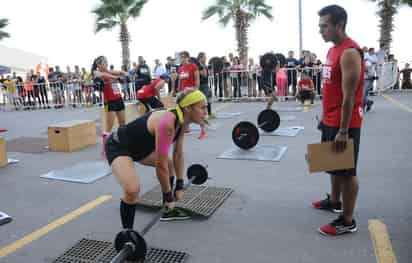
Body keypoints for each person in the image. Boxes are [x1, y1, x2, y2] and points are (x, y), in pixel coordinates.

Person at [105, 89, 208, 226]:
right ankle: (127, 235)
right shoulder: (168, 123)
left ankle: (167, 210)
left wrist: (180, 185)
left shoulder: (182, 121)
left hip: (140, 149)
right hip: (119, 146)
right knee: (132, 190)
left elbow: (178, 154)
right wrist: (169, 195)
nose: (206, 112)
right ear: (188, 108)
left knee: (170, 165)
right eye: (202, 108)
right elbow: (160, 166)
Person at [313, 4, 364, 236]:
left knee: (346, 171)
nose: (320, 30)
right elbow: (331, 87)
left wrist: (343, 130)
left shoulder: (349, 52)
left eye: (324, 26)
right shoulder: (332, 50)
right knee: (332, 163)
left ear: (339, 25)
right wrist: (326, 117)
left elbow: (350, 96)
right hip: (332, 118)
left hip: (346, 122)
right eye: (320, 25)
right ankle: (334, 201)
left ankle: (347, 220)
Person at [91, 56, 128, 158]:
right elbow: (102, 74)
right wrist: (116, 77)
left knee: (123, 124)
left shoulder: (110, 71)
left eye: (107, 62)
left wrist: (125, 73)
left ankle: (123, 146)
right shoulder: (96, 72)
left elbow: (121, 72)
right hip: (109, 102)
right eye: (104, 63)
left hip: (119, 99)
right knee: (109, 127)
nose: (106, 64)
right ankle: (105, 149)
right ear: (98, 65)